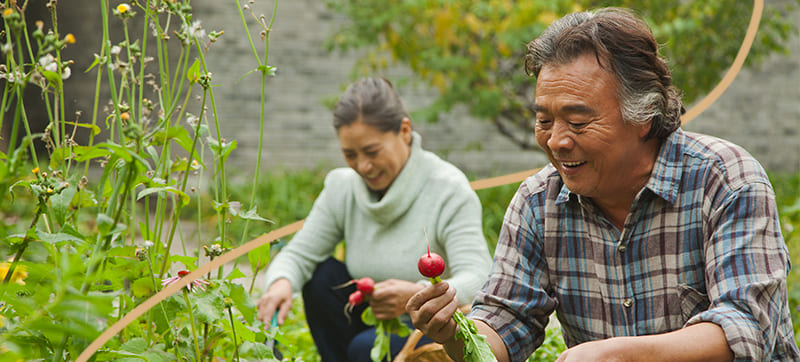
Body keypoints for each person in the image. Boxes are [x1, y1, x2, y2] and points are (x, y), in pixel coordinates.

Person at [406, 7, 799, 362]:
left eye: (578, 122)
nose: (556, 140)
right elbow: (503, 326)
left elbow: (746, 328)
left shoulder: (726, 180)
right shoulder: (537, 203)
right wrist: (456, 332)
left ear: (644, 115)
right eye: (544, 120)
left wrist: (619, 355)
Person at [256, 77, 493, 362]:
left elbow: (479, 277)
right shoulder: (342, 188)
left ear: (404, 131)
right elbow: (298, 253)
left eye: (372, 152)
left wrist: (416, 296)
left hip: (428, 328)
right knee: (321, 276)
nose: (363, 166)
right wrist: (280, 283)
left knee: (363, 349)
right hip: (369, 322)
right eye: (350, 155)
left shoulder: (448, 189)